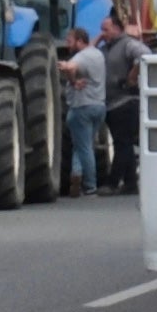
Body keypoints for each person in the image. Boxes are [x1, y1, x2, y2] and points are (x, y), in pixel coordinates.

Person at [98, 14, 148, 195]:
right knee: (123, 144)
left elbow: (145, 55)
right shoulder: (105, 48)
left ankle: (112, 183)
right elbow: (86, 54)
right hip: (111, 103)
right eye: (101, 29)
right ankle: (130, 184)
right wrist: (98, 39)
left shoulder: (127, 44)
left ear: (117, 28)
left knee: (122, 144)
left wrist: (132, 76)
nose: (103, 33)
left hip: (125, 102)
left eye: (106, 29)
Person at [61, 25, 106, 198]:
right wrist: (100, 36)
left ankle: (90, 185)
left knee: (84, 147)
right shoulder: (97, 54)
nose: (67, 44)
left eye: (70, 40)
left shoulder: (81, 57)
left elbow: (69, 68)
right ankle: (76, 174)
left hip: (82, 107)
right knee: (82, 145)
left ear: (79, 41)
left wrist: (72, 82)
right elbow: (91, 44)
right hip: (99, 106)